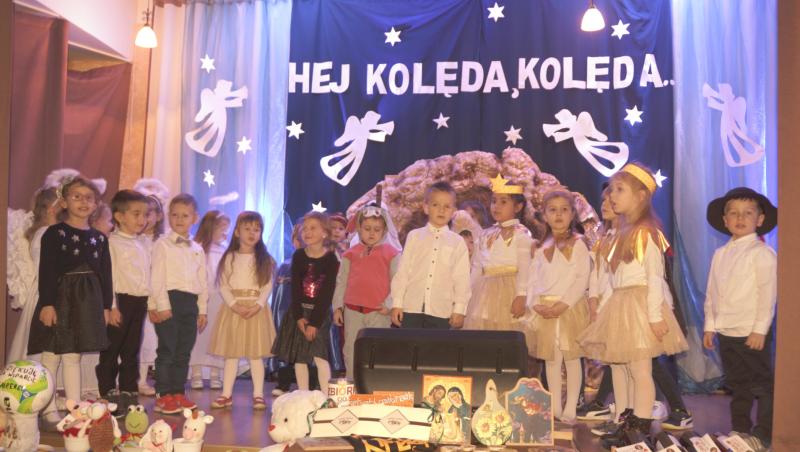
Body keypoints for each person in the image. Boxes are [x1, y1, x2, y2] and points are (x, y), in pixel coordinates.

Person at [578, 163, 688, 448]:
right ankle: (626, 421)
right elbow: (611, 278)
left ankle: (640, 425)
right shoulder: (621, 234)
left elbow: (655, 277)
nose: (611, 195)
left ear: (640, 196)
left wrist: (654, 317)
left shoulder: (645, 233)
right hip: (622, 303)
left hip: (640, 306)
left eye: (619, 190)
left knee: (640, 371)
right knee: (626, 368)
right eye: (611, 190)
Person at [28, 176, 112, 424]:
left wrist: (106, 306)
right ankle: (48, 406)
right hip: (60, 300)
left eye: (89, 198)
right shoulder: (55, 234)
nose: (83, 202)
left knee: (74, 355)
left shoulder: (99, 238)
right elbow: (47, 271)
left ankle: (75, 409)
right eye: (76, 197)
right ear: (64, 202)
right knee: (52, 355)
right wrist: (47, 303)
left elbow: (105, 275)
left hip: (86, 304)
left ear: (95, 204)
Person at [703, 187, 777, 451]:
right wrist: (710, 326)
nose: (740, 218)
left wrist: (759, 330)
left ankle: (763, 434)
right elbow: (712, 293)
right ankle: (740, 429)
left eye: (748, 213)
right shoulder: (720, 254)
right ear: (725, 220)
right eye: (733, 213)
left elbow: (767, 294)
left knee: (762, 385)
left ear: (760, 219)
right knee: (738, 384)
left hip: (751, 332)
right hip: (727, 332)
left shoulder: (762, 253)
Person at [525, 189, 590, 422]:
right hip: (545, 308)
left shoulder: (578, 243)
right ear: (544, 215)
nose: (559, 215)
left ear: (572, 214)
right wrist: (534, 304)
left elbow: (582, 278)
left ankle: (571, 406)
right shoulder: (541, 246)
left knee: (571, 359)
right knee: (551, 360)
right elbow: (533, 279)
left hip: (569, 308)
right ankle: (554, 407)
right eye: (552, 210)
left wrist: (563, 304)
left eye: (564, 210)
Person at [209, 211, 277, 411]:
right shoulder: (229, 257)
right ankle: (226, 394)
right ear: (237, 232)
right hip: (234, 310)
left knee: (256, 355)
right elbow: (223, 285)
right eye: (247, 229)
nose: (252, 233)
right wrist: (234, 305)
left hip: (256, 310)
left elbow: (267, 285)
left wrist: (257, 305)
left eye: (257, 229)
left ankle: (258, 394)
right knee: (232, 354)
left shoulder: (265, 259)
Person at [149, 193, 208, 415]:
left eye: (185, 215)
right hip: (169, 300)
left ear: (194, 218)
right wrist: (161, 305)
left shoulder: (197, 248)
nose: (179, 219)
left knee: (183, 351)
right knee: (168, 350)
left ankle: (178, 392)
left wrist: (202, 310)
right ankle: (163, 394)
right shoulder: (162, 244)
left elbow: (202, 281)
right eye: (175, 215)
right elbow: (156, 277)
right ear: (168, 216)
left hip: (190, 303)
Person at [95, 190, 150, 416]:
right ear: (119, 216)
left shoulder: (143, 243)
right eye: (136, 214)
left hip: (139, 301)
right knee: (111, 349)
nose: (142, 219)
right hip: (120, 301)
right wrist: (112, 306)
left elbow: (147, 275)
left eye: (145, 214)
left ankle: (128, 391)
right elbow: (109, 277)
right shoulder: (111, 243)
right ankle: (108, 392)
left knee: (132, 349)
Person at [272, 211, 339, 393]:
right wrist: (299, 317)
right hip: (299, 313)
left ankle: (326, 395)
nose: (307, 232)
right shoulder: (299, 256)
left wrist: (314, 323)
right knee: (300, 358)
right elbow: (295, 289)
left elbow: (326, 294)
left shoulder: (330, 259)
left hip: (319, 315)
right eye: (305, 228)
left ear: (324, 233)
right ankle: (303, 395)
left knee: (319, 357)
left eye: (313, 228)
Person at [333, 203, 401, 380]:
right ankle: (352, 383)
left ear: (384, 230)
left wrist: (389, 305)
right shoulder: (350, 254)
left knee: (376, 349)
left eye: (377, 229)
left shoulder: (392, 253)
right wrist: (338, 307)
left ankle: (373, 385)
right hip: (352, 310)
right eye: (367, 229)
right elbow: (341, 281)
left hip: (379, 312)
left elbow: (397, 282)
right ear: (359, 229)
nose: (372, 233)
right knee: (351, 349)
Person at [391, 181, 471, 329]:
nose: (441, 210)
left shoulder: (457, 242)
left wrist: (460, 309)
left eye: (447, 206)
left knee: (437, 345)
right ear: (426, 208)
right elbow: (403, 272)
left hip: (441, 311)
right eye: (435, 205)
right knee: (408, 344)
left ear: (453, 211)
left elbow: (462, 279)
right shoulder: (414, 236)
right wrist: (397, 303)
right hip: (411, 308)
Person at [464, 174, 533, 332]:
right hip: (483, 293)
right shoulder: (485, 234)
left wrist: (522, 295)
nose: (496, 206)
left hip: (509, 291)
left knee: (506, 332)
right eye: (494, 201)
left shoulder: (521, 233)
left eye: (503, 202)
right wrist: (467, 294)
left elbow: (525, 267)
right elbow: (477, 266)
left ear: (518, 207)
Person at [8, 187, 61, 363]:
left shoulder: (55, 233)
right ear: (52, 209)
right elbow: (45, 268)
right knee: (46, 348)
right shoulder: (45, 234)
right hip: (47, 294)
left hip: (57, 291)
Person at [189, 210, 230, 390]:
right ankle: (196, 372)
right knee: (198, 337)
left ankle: (215, 373)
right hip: (201, 298)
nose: (225, 233)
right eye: (222, 228)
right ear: (210, 228)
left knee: (217, 337)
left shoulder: (225, 250)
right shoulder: (196, 248)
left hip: (220, 299)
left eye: (226, 229)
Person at [269, 222, 303, 396]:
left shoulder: (321, 263)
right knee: (287, 346)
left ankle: (310, 384)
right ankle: (284, 382)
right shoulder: (286, 266)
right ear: (294, 241)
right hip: (289, 316)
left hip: (309, 315)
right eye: (299, 238)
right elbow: (280, 300)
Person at [138, 194, 166, 396]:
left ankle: (141, 379)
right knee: (133, 339)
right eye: (141, 213)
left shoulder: (162, 242)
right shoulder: (134, 240)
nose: (145, 218)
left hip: (154, 297)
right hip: (134, 295)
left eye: (150, 213)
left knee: (148, 340)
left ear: (159, 216)